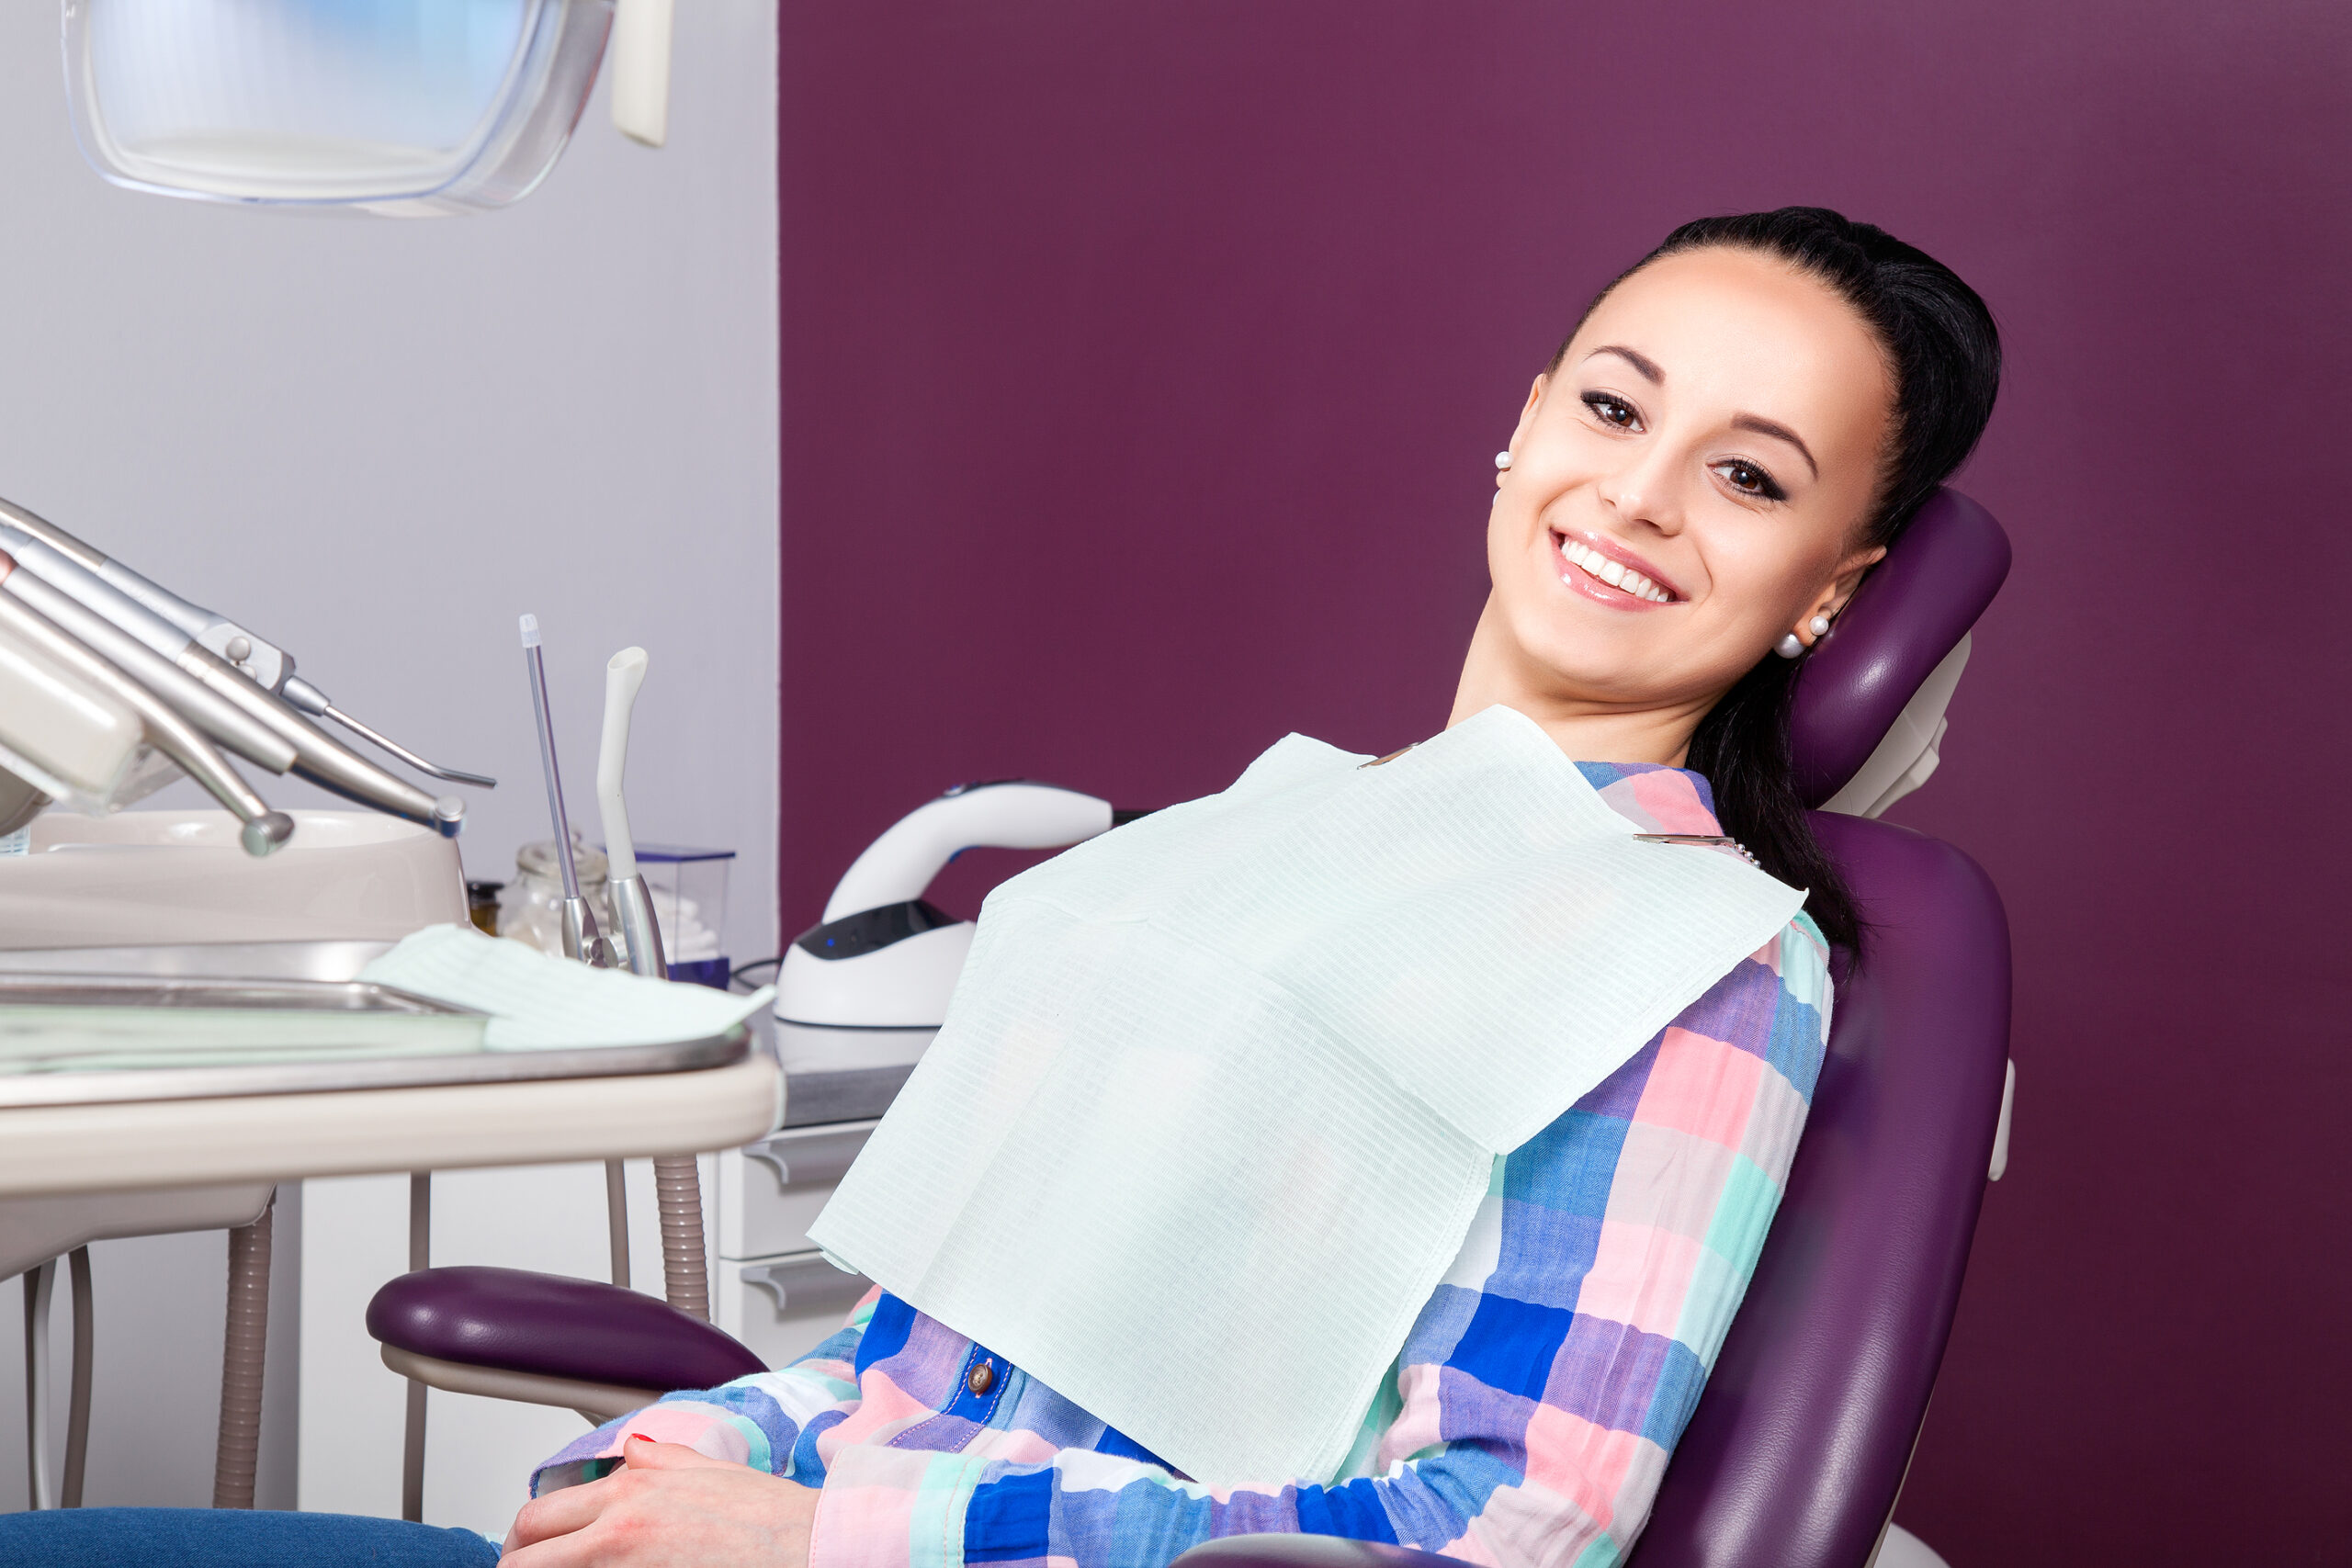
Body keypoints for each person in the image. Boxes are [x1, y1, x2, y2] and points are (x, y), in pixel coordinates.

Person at [0, 206, 1999, 1568]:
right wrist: (704, 1448)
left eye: (1748, 474)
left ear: (1830, 586)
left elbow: (1504, 1526)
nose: (1635, 494)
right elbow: (927, 1360)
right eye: (1609, 400)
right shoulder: (1275, 833)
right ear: (1521, 418)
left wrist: (820, 1533)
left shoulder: (1683, 962)